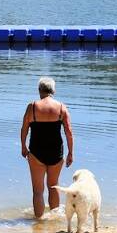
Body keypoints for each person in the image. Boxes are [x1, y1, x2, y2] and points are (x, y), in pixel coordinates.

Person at [20, 77, 73, 218]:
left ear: (39, 90)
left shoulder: (32, 107)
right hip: (56, 152)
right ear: (53, 91)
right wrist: (70, 153)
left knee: (38, 190)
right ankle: (54, 219)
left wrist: (23, 146)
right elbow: (68, 132)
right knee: (53, 186)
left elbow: (24, 129)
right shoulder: (61, 107)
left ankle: (38, 221)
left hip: (36, 152)